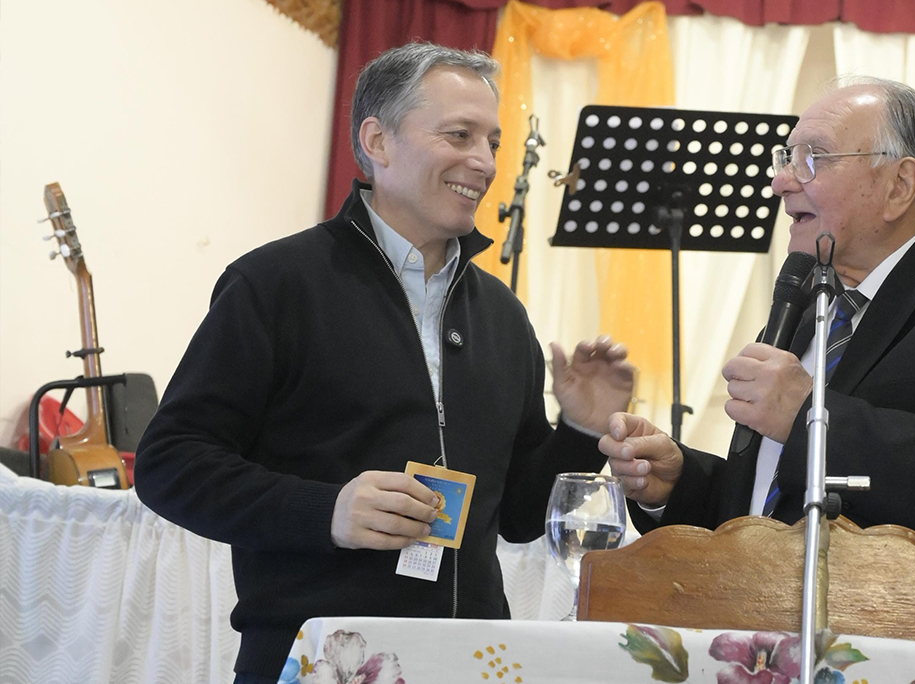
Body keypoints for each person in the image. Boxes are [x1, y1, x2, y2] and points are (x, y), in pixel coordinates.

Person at [134, 43, 633, 683]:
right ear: (378, 141)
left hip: (469, 665)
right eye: (459, 135)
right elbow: (169, 463)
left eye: (493, 143)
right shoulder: (275, 284)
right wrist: (328, 511)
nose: (485, 163)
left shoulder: (503, 315)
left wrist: (581, 429)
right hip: (315, 660)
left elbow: (515, 518)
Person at [602, 78, 915, 557]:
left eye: (814, 157)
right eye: (786, 158)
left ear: (899, 186)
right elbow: (772, 510)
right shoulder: (808, 302)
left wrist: (812, 418)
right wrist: (680, 483)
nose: (781, 181)